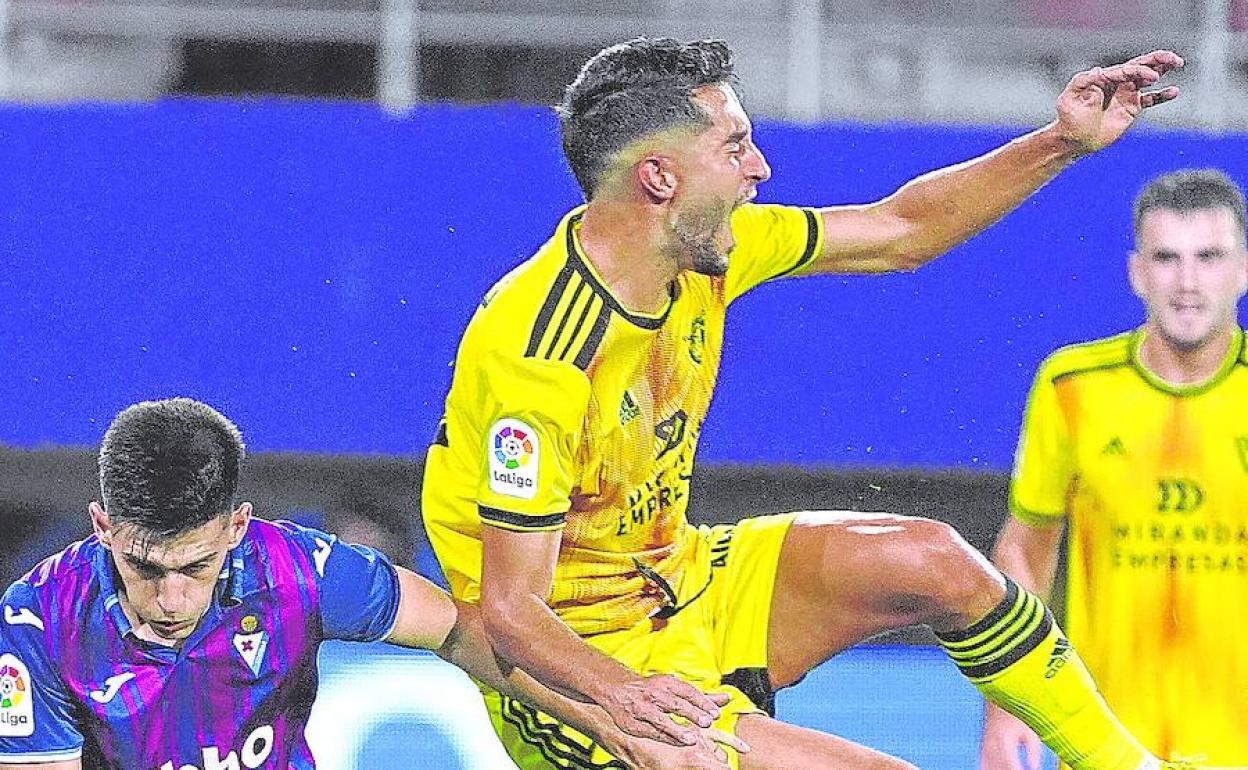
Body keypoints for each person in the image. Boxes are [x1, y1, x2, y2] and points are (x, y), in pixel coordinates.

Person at [421, 37, 1190, 770]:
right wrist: (628, 698)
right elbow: (509, 614)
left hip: (682, 576)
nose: (759, 167)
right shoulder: (544, 357)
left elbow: (901, 230)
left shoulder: (709, 252)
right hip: (585, 676)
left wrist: (1061, 140)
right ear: (659, 179)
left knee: (937, 562)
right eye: (734, 147)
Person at [0, 398, 742, 770]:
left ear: (236, 527)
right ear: (102, 527)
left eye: (194, 567)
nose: (169, 601)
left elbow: (460, 630)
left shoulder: (302, 571)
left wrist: (605, 715)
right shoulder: (36, 624)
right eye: (143, 568)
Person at [979, 169, 1248, 770]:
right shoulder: (1071, 386)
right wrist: (1006, 707)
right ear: (1136, 273)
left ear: (1243, 270)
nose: (1187, 282)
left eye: (1208, 257)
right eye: (1166, 258)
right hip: (1107, 747)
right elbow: (1027, 547)